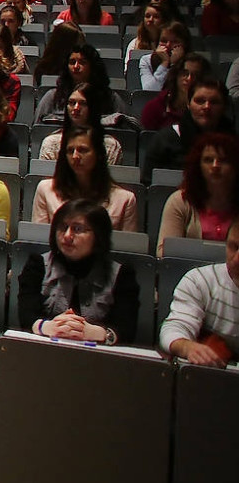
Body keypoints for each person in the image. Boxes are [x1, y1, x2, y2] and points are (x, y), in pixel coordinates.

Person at [18, 199, 139, 345]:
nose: (67, 235)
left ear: (98, 236)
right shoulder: (37, 264)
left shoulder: (121, 274)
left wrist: (95, 332)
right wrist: (48, 327)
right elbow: (26, 315)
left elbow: (127, 329)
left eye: (77, 229)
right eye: (63, 227)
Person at [158, 216, 239, 366]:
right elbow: (173, 329)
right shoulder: (200, 280)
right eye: (234, 247)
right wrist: (188, 347)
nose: (237, 259)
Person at [32, 126, 138, 231]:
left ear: (99, 155)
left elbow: (126, 246)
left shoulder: (125, 200)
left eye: (82, 150)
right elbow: (38, 243)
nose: (75, 156)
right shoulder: (45, 189)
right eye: (70, 150)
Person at [157, 133, 239, 256]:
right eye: (208, 160)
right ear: (198, 166)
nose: (215, 166)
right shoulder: (180, 201)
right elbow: (163, 253)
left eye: (223, 160)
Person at [144, 78, 232, 180]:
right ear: (188, 104)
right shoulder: (164, 139)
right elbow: (148, 182)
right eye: (200, 101)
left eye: (214, 102)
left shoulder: (234, 142)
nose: (207, 107)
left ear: (224, 106)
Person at [33, 44, 124, 123]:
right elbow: (37, 129)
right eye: (72, 62)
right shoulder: (52, 97)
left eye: (82, 62)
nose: (76, 66)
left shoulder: (111, 98)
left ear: (93, 67)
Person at [39, 84, 126, 165]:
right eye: (72, 103)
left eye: (83, 103)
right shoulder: (51, 143)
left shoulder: (111, 146)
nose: (76, 108)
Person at [142, 52, 211, 131]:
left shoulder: (208, 108)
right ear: (176, 75)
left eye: (196, 75)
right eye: (184, 73)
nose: (189, 78)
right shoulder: (154, 107)